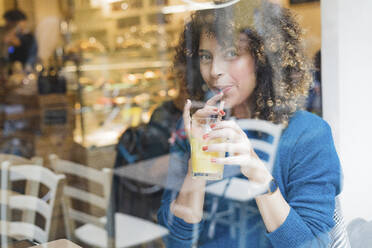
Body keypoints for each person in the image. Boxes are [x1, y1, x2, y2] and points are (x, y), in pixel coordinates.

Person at [157, 1, 342, 247]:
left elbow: (311, 245)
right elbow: (175, 242)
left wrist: (259, 175)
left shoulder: (308, 134)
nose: (214, 70)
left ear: (263, 58)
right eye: (205, 56)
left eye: (232, 53)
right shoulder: (195, 129)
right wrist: (196, 166)